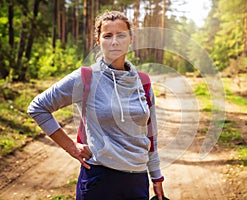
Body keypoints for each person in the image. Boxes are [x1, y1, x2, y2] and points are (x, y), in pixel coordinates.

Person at [27, 10, 165, 200]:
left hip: (137, 180)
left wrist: (156, 176)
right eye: (107, 36)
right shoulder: (86, 77)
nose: (114, 41)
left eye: (121, 35)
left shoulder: (143, 82)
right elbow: (38, 107)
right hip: (98, 179)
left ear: (131, 39)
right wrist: (71, 147)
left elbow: (151, 133)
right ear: (98, 41)